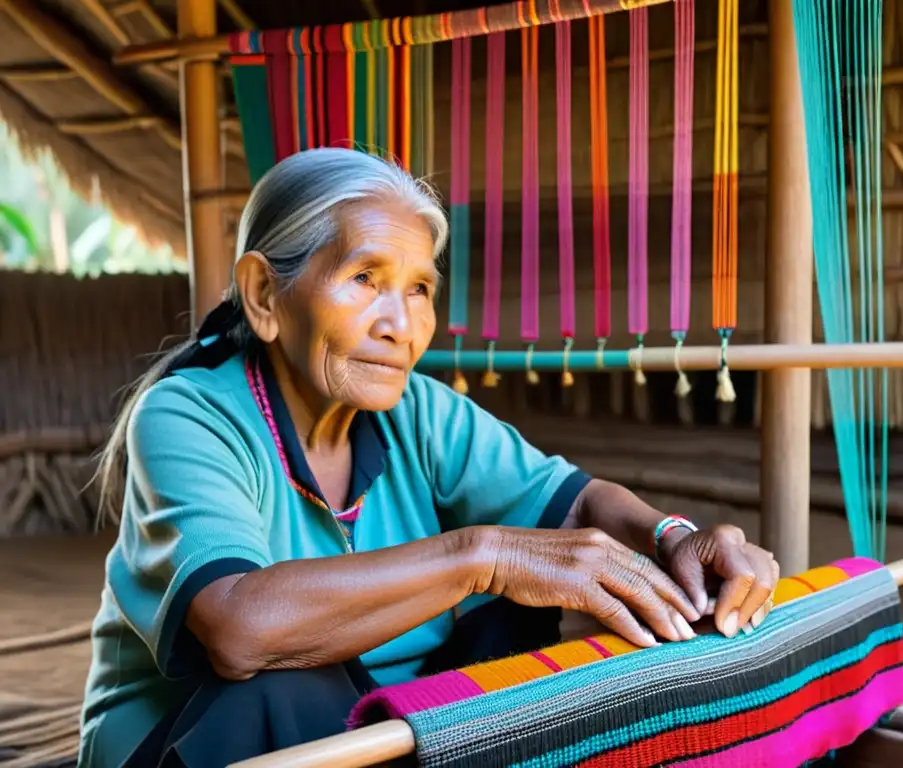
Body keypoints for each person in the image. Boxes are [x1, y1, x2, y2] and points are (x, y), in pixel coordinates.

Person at [78, 148, 779, 768]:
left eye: (419, 288)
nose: (400, 324)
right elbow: (239, 629)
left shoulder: (416, 410)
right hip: (195, 740)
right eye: (364, 278)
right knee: (281, 677)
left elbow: (576, 502)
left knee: (515, 619)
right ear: (265, 295)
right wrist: (485, 556)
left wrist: (675, 538)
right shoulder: (189, 414)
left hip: (374, 723)